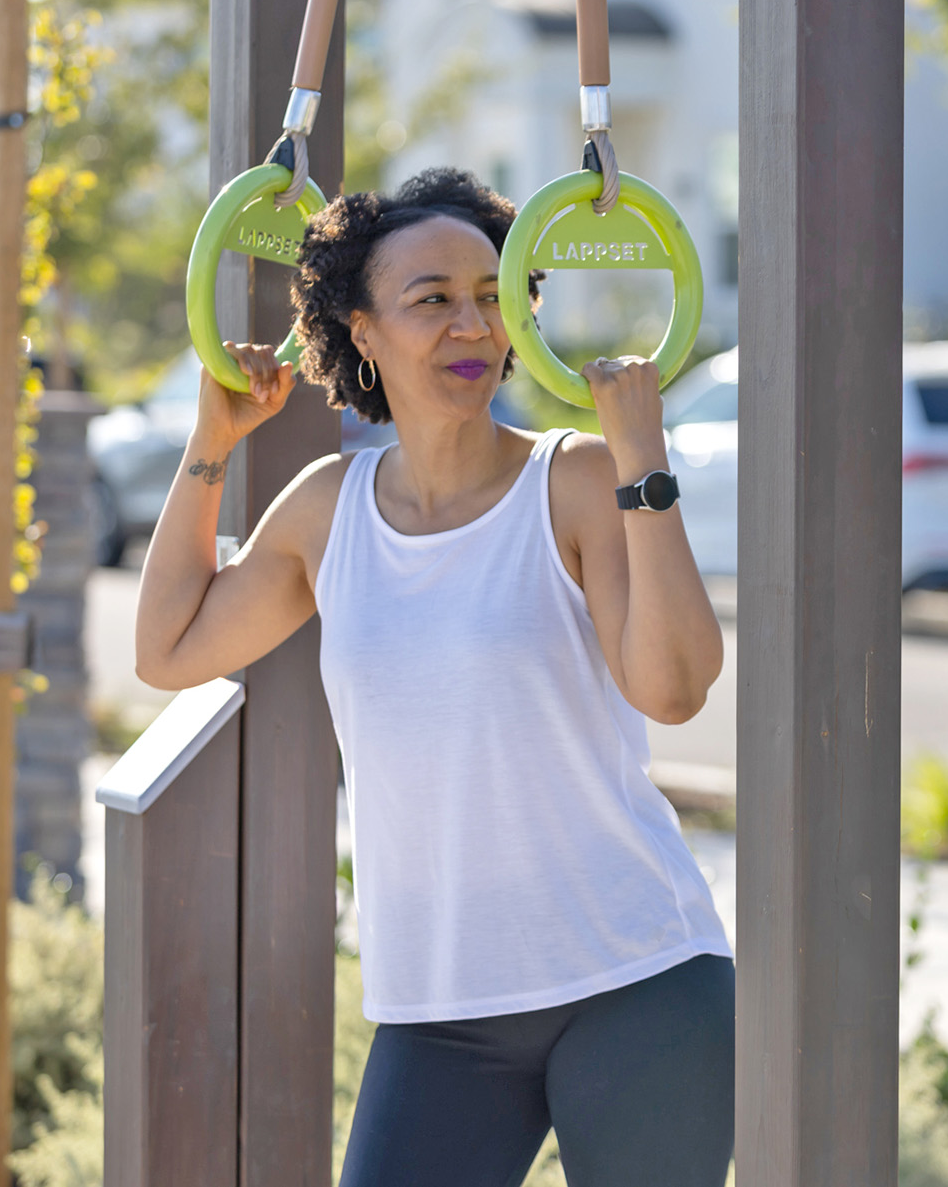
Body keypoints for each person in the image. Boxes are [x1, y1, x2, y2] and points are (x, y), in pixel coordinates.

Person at [134, 168, 735, 1186]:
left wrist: (643, 457)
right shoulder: (330, 510)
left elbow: (673, 688)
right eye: (432, 300)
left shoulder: (579, 477)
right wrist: (212, 441)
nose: (473, 324)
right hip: (441, 1013)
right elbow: (169, 649)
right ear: (361, 333)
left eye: (495, 296)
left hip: (638, 981)